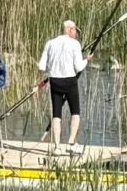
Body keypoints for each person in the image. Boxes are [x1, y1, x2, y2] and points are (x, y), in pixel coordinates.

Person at [37, 19, 91, 153]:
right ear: (70, 30)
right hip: (69, 81)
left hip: (55, 81)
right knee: (75, 112)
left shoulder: (50, 43)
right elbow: (78, 67)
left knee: (56, 114)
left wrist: (52, 67)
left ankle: (57, 147)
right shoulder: (74, 44)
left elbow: (41, 66)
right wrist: (87, 60)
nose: (76, 34)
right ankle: (71, 142)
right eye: (75, 31)